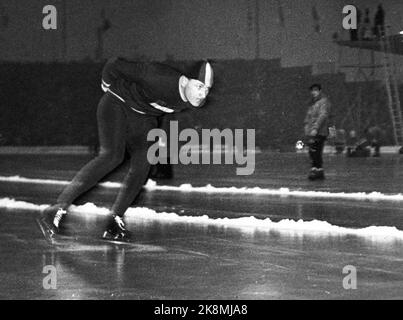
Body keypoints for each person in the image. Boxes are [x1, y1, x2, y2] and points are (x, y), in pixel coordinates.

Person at [41, 57, 214, 240]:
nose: (203, 94)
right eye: (199, 87)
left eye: (207, 90)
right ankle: (55, 210)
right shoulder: (157, 76)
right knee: (112, 157)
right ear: (186, 80)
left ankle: (114, 221)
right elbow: (114, 64)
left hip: (143, 116)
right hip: (117, 103)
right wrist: (106, 85)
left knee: (143, 164)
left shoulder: (194, 98)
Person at [304, 84, 331, 180]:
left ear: (320, 91)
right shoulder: (312, 103)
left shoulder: (323, 102)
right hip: (312, 131)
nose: (314, 92)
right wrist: (307, 129)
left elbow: (323, 115)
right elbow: (308, 118)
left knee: (315, 151)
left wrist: (315, 128)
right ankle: (318, 170)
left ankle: (315, 170)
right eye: (312, 90)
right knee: (314, 151)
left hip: (320, 131)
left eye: (316, 90)